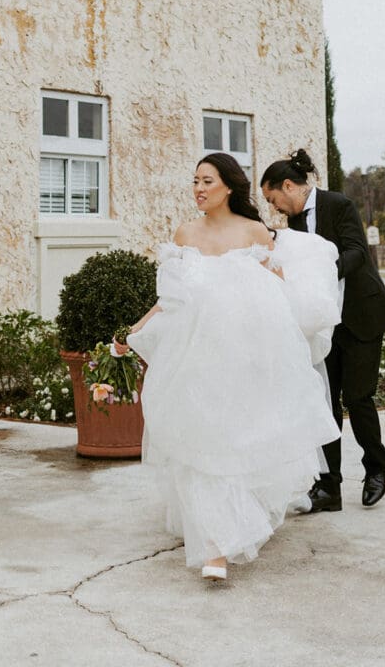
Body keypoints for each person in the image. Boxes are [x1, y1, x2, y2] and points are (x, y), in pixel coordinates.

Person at [122, 152, 340, 583]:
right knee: (201, 444)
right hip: (194, 357)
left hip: (244, 357)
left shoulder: (254, 232)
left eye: (207, 181)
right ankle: (215, 545)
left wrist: (296, 333)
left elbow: (276, 291)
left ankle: (225, 538)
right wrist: (133, 330)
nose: (199, 189)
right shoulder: (184, 234)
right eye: (195, 182)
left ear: (228, 186)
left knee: (234, 444)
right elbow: (171, 297)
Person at [261, 149, 385, 512]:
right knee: (324, 403)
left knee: (358, 397)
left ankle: (376, 470)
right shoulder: (290, 229)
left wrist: (319, 273)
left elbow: (356, 252)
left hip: (360, 315)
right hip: (323, 325)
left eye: (273, 199)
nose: (274, 208)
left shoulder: (338, 204)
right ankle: (329, 488)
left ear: (289, 186)